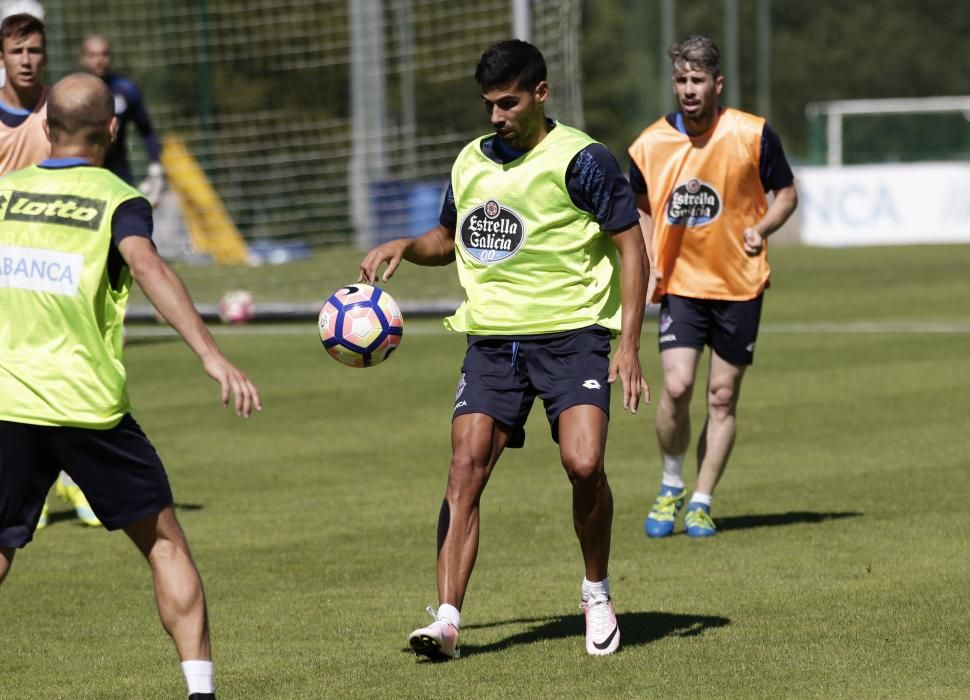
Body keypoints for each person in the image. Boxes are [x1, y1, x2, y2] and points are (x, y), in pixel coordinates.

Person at [359, 39, 649, 660]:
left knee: (584, 464)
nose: (496, 116)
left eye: (508, 102)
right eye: (489, 104)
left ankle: (596, 592)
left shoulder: (584, 160)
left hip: (573, 335)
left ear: (540, 94)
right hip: (492, 340)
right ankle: (446, 621)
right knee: (465, 468)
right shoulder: (471, 161)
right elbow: (447, 237)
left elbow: (632, 246)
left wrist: (628, 342)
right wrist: (406, 246)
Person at [0, 72, 262, 700]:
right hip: (87, 409)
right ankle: (200, 692)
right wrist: (211, 354)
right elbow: (148, 265)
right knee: (165, 543)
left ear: (45, 126)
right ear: (111, 130)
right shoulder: (118, 198)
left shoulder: (6, 193)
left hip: (8, 403)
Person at [627, 35, 798, 538]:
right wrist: (649, 254)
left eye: (697, 80)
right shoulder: (648, 145)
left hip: (740, 284)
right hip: (681, 283)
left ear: (716, 83)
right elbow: (638, 207)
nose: (688, 89)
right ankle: (670, 483)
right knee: (677, 387)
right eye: (680, 80)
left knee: (722, 396)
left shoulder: (753, 134)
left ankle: (701, 500)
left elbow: (785, 193)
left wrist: (762, 228)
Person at [0, 11, 104, 528]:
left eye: (34, 50)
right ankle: (28, 483)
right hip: (8, 270)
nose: (26, 60)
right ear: (2, 56)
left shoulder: (60, 112)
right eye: (17, 51)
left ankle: (74, 478)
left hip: (62, 267)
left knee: (78, 369)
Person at [80, 32, 164, 204]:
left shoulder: (126, 90)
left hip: (119, 174)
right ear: (83, 58)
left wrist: (155, 169)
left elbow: (146, 130)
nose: (99, 60)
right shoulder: (72, 92)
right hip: (83, 175)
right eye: (93, 55)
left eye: (104, 54)